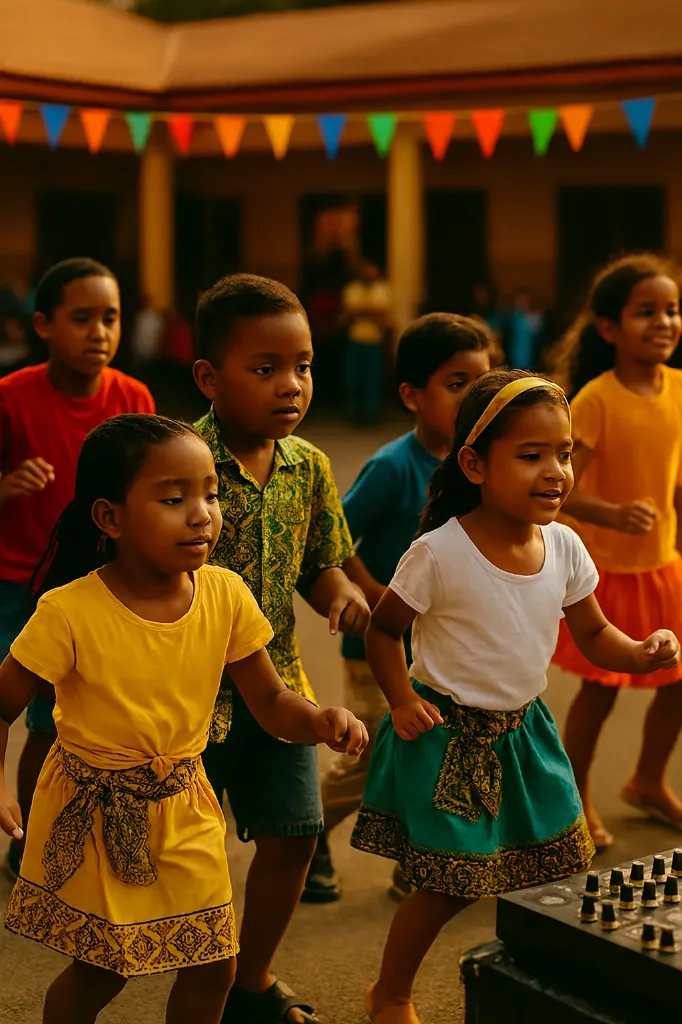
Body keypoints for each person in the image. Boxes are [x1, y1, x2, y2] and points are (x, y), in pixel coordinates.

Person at [0, 413, 368, 1024]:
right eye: (174, 499)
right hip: (99, 811)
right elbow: (4, 702)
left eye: (211, 495)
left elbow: (271, 701)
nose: (202, 515)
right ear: (109, 517)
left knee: (214, 965)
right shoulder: (69, 611)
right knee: (104, 968)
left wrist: (320, 719)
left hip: (186, 806)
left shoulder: (225, 594)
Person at [350, 369, 680, 1024]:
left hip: (528, 735)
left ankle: (546, 988)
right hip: (449, 739)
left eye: (564, 454)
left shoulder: (564, 545)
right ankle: (390, 992)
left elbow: (595, 634)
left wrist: (640, 651)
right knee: (449, 885)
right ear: (474, 464)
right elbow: (384, 631)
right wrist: (401, 699)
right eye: (531, 456)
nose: (556, 471)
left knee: (558, 869)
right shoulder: (438, 553)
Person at [192, 273, 370, 1024]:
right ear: (209, 378)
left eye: (302, 366)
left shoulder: (309, 465)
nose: (290, 385)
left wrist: (342, 596)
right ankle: (199, 981)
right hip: (188, 699)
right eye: (265, 369)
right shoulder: (183, 462)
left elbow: (319, 563)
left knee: (295, 835)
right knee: (190, 858)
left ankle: (252, 981)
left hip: (282, 691)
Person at [303, 313, 494, 904]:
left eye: (483, 385)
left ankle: (415, 865)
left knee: (430, 752)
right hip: (379, 645)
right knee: (373, 757)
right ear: (412, 395)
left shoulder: (482, 464)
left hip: (443, 651)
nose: (473, 401)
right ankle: (304, 829)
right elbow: (332, 535)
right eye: (457, 384)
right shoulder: (393, 466)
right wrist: (372, 593)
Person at [0, 257, 155, 881]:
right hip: (17, 584)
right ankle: (26, 840)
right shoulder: (11, 397)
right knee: (17, 704)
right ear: (43, 324)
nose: (99, 332)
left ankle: (41, 841)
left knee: (62, 721)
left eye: (110, 318)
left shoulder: (132, 398)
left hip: (94, 587)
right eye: (82, 317)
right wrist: (6, 487)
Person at [551, 253, 682, 850]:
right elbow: (558, 485)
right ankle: (576, 799)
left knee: (678, 680)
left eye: (671, 310)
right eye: (646, 311)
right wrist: (609, 513)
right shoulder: (596, 399)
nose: (664, 322)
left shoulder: (677, 387)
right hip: (607, 574)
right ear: (609, 328)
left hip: (664, 564)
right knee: (601, 689)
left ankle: (648, 782)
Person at [342, 260, 391, 424]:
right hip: (355, 339)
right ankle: (353, 412)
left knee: (373, 378)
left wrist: (361, 310)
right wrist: (371, 310)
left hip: (374, 341)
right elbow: (348, 313)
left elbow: (383, 315)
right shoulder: (352, 289)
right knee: (353, 377)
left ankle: (372, 413)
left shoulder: (382, 289)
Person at [505, 287, 544, 370]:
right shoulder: (511, 318)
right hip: (512, 362)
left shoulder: (536, 318)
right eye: (518, 300)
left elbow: (540, 341)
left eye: (523, 299)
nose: (520, 302)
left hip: (532, 362)